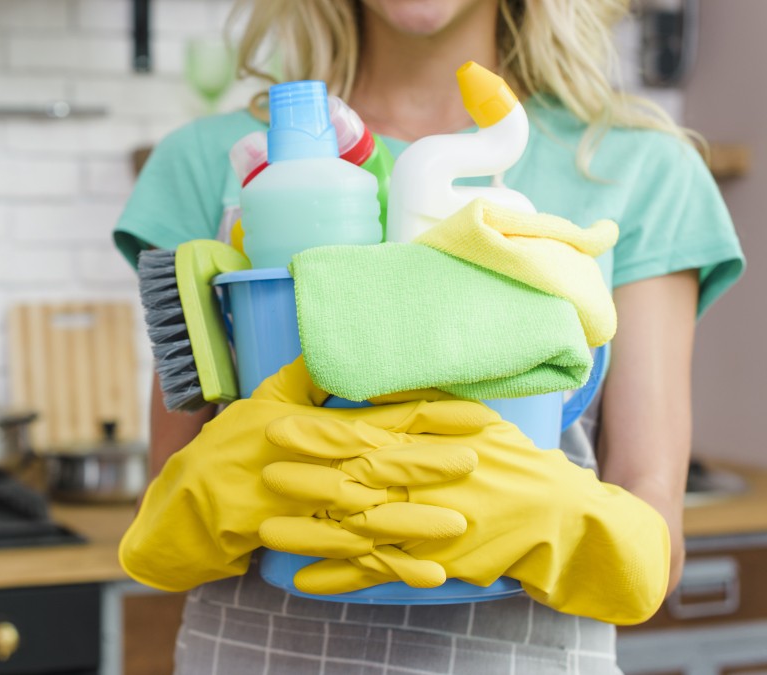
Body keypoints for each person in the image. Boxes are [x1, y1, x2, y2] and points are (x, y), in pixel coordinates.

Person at [113, 0, 745, 672]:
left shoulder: (640, 168)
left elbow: (656, 544)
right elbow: (163, 511)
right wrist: (214, 489)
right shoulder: (215, 162)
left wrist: (562, 520)